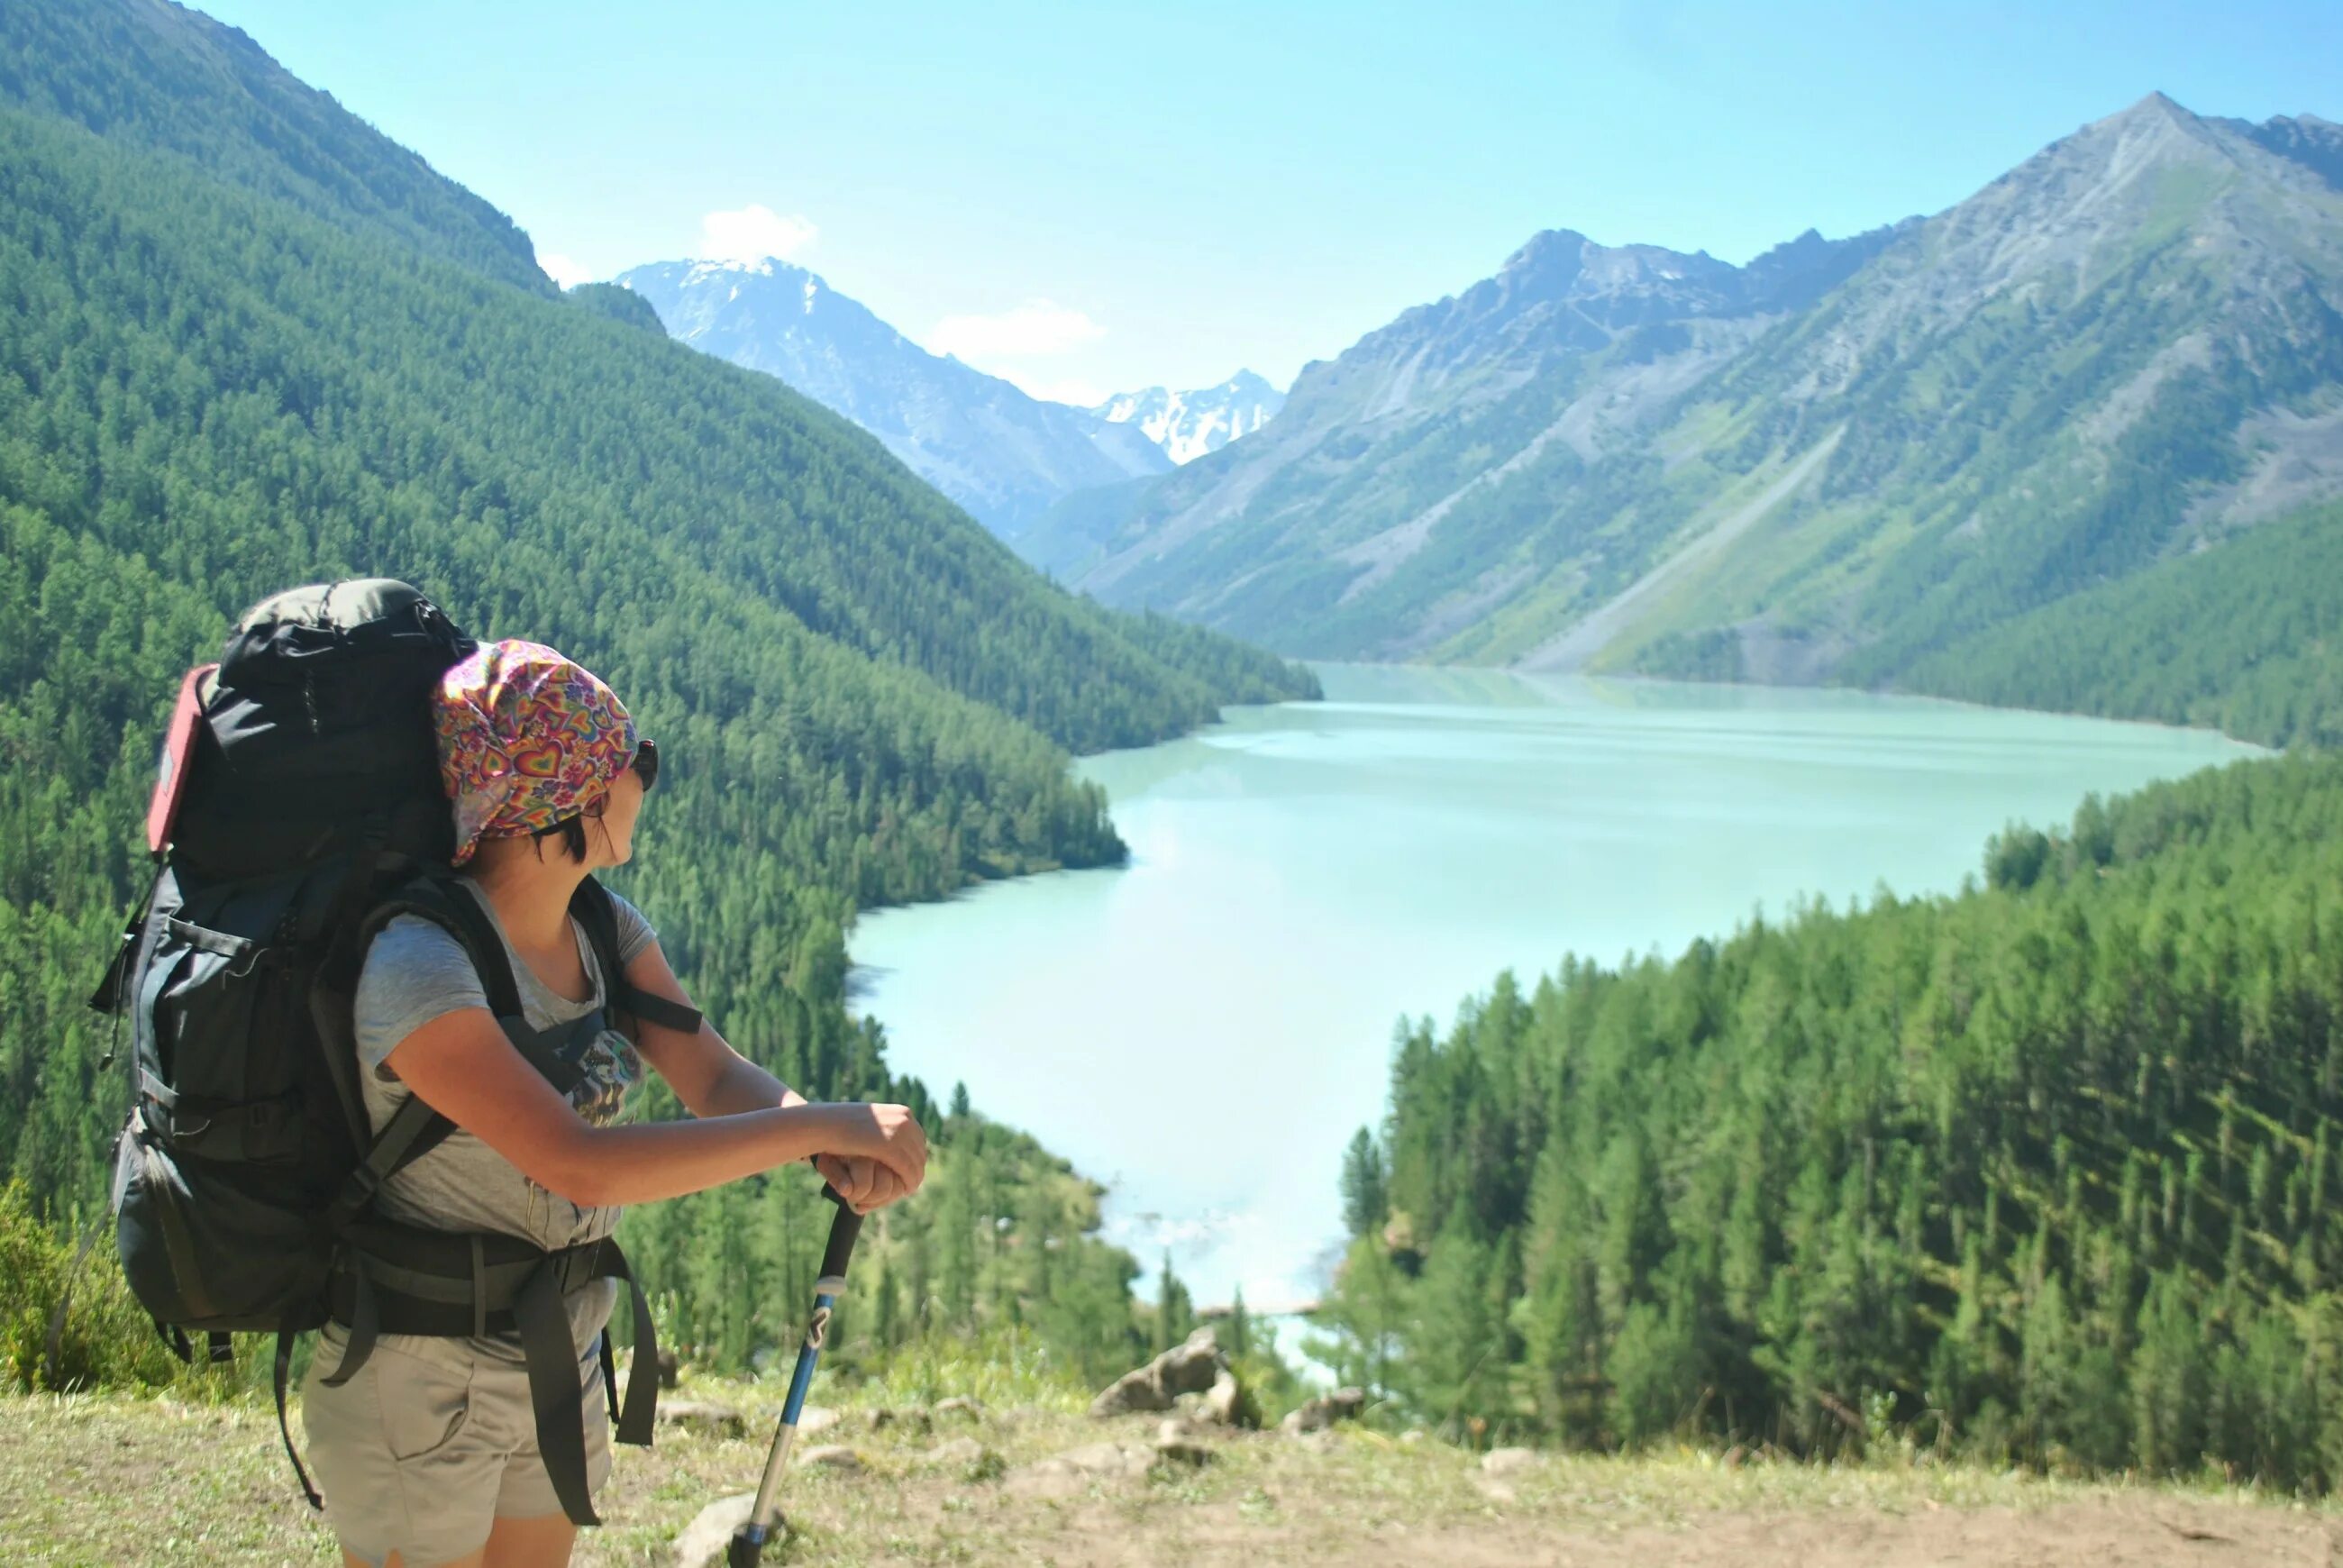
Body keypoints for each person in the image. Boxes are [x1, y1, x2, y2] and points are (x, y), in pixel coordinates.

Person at [300, 639, 927, 1568]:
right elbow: (573, 1160)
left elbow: (710, 1075)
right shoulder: (418, 968)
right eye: (635, 762)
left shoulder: (603, 926)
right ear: (578, 794)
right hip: (418, 1373)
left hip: (558, 1348)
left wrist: (824, 1147)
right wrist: (825, 1122)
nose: (646, 780)